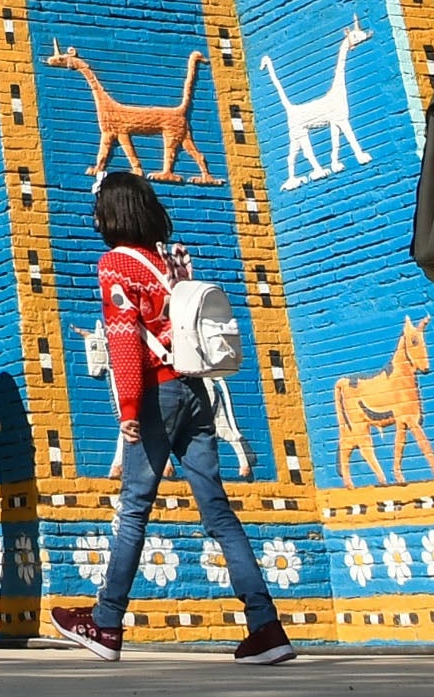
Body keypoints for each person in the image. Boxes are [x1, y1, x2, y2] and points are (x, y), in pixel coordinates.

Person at [43, 169, 295, 664]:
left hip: (158, 393)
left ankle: (107, 623)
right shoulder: (169, 259)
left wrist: (129, 410)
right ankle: (266, 627)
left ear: (111, 213)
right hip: (198, 390)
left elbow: (121, 338)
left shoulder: (116, 264)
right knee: (218, 512)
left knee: (133, 508)